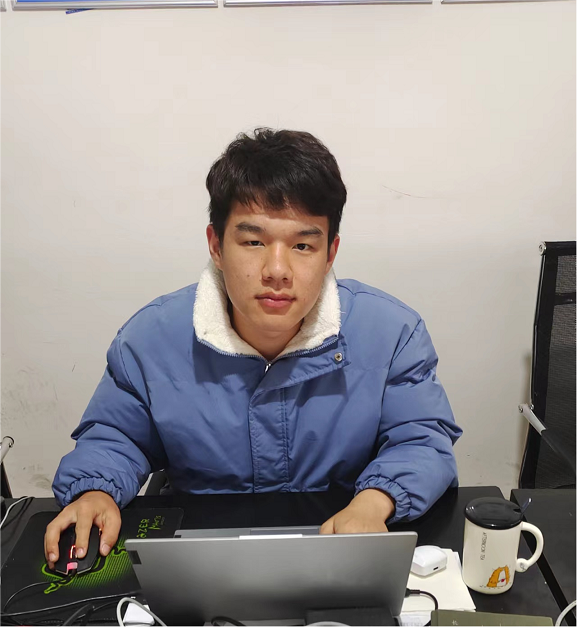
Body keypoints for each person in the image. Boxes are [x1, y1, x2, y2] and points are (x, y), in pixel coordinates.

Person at [45, 128, 462, 568]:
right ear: (216, 246)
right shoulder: (151, 339)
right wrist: (95, 491)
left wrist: (376, 501)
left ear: (330, 253)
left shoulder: (391, 333)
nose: (277, 270)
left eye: (303, 245)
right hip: (201, 557)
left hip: (338, 546)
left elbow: (422, 439)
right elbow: (117, 437)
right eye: (254, 242)